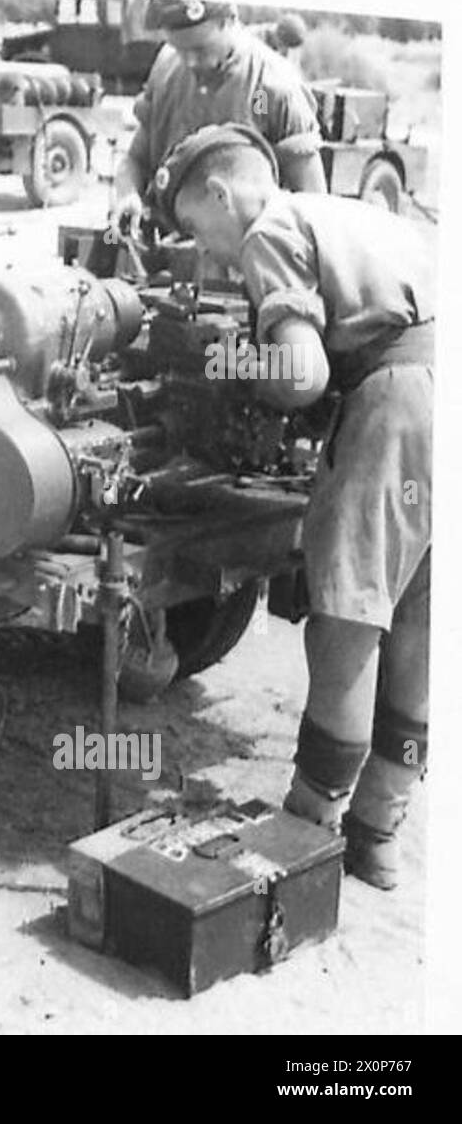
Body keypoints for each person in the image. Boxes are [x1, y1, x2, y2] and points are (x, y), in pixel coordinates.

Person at [152, 123, 432, 890]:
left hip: (401, 407)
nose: (206, 251)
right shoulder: (354, 213)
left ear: (218, 192)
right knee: (418, 620)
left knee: (348, 621)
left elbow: (301, 372)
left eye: (196, 229)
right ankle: (379, 835)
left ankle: (307, 824)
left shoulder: (271, 227)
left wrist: (231, 366)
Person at [112, 0, 326, 234]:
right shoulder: (165, 67)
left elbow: (313, 205)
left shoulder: (270, 86)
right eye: (179, 49)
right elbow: (135, 160)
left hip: (242, 255)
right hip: (163, 244)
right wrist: (128, 194)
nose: (190, 62)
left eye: (200, 49)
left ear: (229, 21)